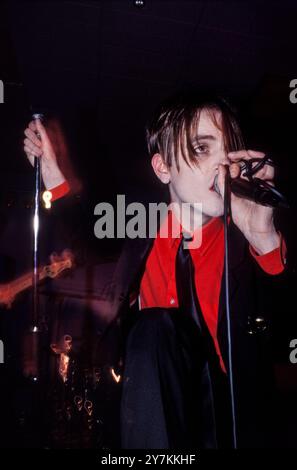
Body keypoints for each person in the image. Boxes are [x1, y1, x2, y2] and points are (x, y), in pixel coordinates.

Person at [23, 92, 287, 449]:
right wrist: (54, 171)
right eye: (200, 149)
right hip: (155, 412)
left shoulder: (248, 245)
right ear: (162, 168)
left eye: (228, 153)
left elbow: (283, 326)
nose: (220, 166)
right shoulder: (140, 228)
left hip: (229, 419)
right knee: (155, 327)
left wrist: (264, 237)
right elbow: (86, 233)